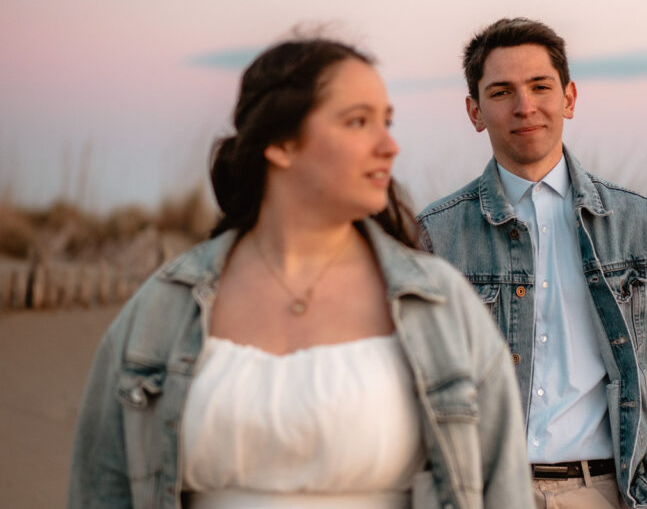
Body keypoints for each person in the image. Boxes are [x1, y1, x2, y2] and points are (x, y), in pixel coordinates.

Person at [68, 36, 533, 509]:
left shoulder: (439, 305)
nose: (389, 146)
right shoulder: (164, 306)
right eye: (358, 122)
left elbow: (502, 491)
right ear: (281, 144)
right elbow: (102, 490)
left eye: (386, 122)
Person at [416, 18, 647, 509]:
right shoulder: (437, 234)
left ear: (569, 98)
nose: (524, 106)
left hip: (598, 492)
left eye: (539, 87)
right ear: (475, 111)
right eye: (501, 91)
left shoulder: (638, 225)